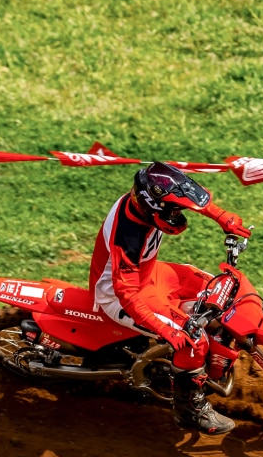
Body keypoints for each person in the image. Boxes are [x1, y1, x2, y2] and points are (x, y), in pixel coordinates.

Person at [90, 162, 251, 437]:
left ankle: (204, 359)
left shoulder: (147, 200)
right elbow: (126, 293)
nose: (179, 214)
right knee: (192, 339)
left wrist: (221, 216)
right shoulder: (127, 235)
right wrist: (165, 330)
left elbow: (186, 194)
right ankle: (189, 409)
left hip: (149, 275)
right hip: (121, 296)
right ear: (154, 209)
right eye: (174, 211)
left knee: (218, 287)